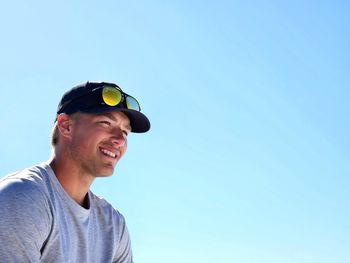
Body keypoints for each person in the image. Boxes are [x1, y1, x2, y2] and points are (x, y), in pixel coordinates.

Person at [0, 81, 150, 263]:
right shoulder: (22, 198)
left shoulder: (114, 224)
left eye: (126, 132)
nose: (120, 139)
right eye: (106, 123)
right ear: (66, 126)